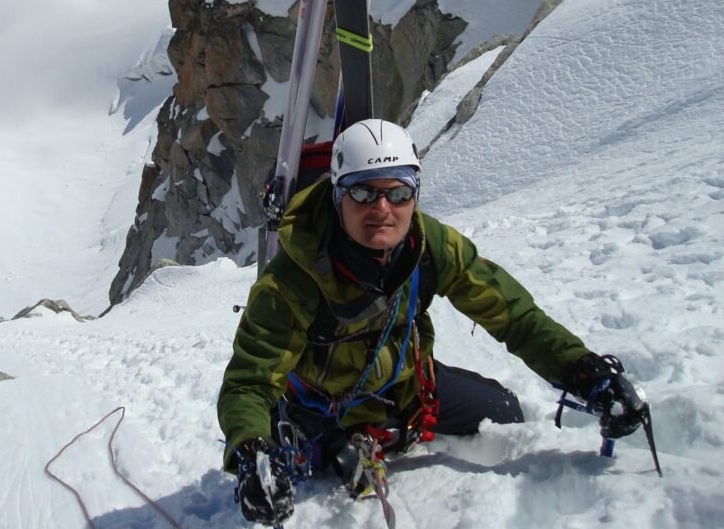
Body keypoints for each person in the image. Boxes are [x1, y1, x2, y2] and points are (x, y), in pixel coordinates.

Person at [218, 119, 649, 525]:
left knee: (506, 411)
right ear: (337, 195)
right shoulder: (292, 280)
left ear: (415, 194)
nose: (383, 208)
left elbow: (511, 313)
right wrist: (250, 448)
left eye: (399, 193)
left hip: (407, 392)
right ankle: (330, 441)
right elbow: (249, 382)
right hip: (321, 409)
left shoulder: (428, 247)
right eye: (364, 193)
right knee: (318, 456)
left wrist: (582, 370)